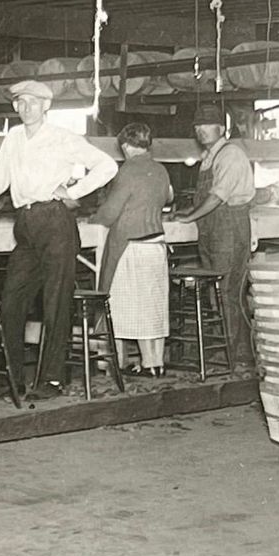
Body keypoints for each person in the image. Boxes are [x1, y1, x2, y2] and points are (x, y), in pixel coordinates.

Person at [0, 79, 117, 398]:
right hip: (26, 223)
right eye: (20, 102)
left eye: (33, 102)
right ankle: (15, 381)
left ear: (46, 106)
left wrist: (73, 192)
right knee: (11, 303)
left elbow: (107, 166)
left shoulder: (62, 137)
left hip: (55, 221)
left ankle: (51, 380)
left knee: (55, 303)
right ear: (15, 107)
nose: (26, 107)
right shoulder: (14, 137)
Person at [174, 106, 257, 371]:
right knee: (215, 291)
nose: (200, 130)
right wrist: (187, 211)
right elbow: (206, 197)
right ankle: (226, 350)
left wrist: (190, 216)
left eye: (207, 125)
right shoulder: (209, 156)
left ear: (221, 128)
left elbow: (218, 196)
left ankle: (238, 354)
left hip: (229, 227)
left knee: (228, 291)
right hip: (211, 228)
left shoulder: (230, 154)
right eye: (197, 125)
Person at [93, 121, 174, 376]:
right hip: (156, 245)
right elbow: (169, 197)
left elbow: (110, 212)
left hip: (132, 247)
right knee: (153, 306)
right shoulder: (160, 169)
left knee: (127, 308)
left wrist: (94, 217)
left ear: (126, 146)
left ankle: (122, 363)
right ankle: (155, 363)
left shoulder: (127, 170)